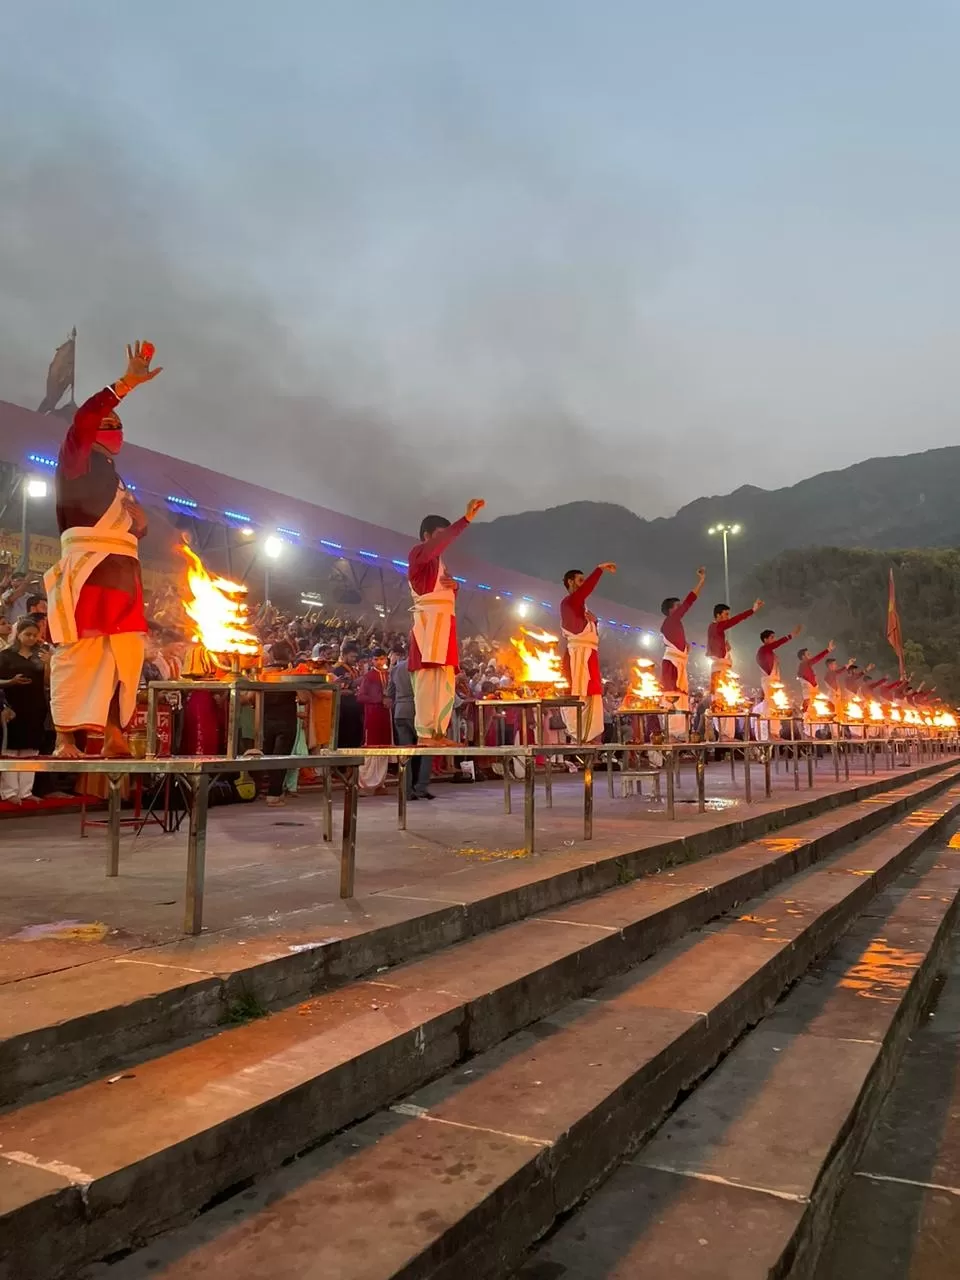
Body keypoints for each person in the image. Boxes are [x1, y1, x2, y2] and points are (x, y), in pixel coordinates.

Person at [44, 340, 161, 757]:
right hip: (87, 570)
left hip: (123, 574)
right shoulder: (75, 457)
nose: (111, 425)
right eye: (106, 421)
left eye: (116, 421)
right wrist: (126, 383)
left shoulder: (117, 478)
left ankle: (114, 732)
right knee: (78, 651)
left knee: (124, 655)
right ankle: (65, 737)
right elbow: (87, 413)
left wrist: (140, 527)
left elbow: (122, 530)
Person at [407, 497, 485, 745]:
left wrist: (456, 587)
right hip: (428, 626)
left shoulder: (439, 564)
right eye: (440, 537)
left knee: (444, 679)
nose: (444, 542)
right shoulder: (418, 554)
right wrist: (465, 521)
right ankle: (424, 734)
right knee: (427, 679)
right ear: (427, 536)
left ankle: (437, 733)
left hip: (444, 625)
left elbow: (442, 594)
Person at [560, 563, 617, 743]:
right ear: (570, 582)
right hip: (578, 656)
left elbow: (591, 635)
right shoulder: (569, 601)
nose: (583, 584)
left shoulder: (582, 607)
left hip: (589, 654)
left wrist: (595, 622)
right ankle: (579, 737)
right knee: (580, 695)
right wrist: (599, 570)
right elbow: (586, 590)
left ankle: (592, 739)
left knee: (593, 695)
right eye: (580, 580)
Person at [0, 617, 50, 803]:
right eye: (27, 634)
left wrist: (48, 664)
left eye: (34, 635)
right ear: (18, 634)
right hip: (12, 706)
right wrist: (11, 682)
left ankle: (26, 791)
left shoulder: (40, 655)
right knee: (12, 749)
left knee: (31, 749)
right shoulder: (5, 656)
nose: (31, 638)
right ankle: (9, 792)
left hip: (35, 706)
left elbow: (48, 683)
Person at [660, 566, 706, 732]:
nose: (681, 608)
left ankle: (681, 733)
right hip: (671, 664)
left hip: (679, 663)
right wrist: (701, 582)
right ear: (671, 610)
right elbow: (689, 601)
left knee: (682, 697)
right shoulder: (670, 621)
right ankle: (671, 733)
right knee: (672, 697)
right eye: (677, 606)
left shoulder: (676, 624)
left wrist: (685, 650)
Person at [387, 650, 434, 799]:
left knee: (406, 754)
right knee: (427, 750)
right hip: (418, 711)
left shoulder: (397, 668)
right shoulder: (423, 668)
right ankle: (421, 786)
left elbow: (389, 691)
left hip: (400, 711)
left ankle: (406, 790)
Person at [706, 598, 762, 694]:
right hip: (719, 668)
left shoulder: (715, 629)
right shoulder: (716, 626)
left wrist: (725, 649)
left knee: (722, 697)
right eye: (726, 614)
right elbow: (735, 620)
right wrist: (752, 610)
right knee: (719, 698)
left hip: (720, 666)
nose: (728, 617)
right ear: (718, 615)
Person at [357, 648, 393, 793]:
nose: (380, 662)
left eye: (382, 659)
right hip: (373, 716)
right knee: (371, 749)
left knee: (384, 749)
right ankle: (363, 785)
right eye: (376, 659)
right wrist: (379, 700)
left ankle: (380, 784)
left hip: (386, 716)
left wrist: (390, 700)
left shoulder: (390, 675)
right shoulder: (369, 676)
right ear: (371, 661)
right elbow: (360, 697)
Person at [756, 625, 802, 714]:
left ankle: (773, 725)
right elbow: (777, 644)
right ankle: (767, 723)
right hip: (769, 681)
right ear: (765, 640)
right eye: (772, 637)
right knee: (770, 703)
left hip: (775, 681)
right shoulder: (763, 649)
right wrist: (790, 636)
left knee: (775, 704)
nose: (775, 639)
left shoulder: (770, 652)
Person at [332, 639, 365, 748]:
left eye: (356, 657)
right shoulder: (338, 669)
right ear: (344, 655)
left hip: (354, 708)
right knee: (346, 737)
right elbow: (341, 688)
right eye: (352, 657)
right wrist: (358, 683)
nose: (355, 659)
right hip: (344, 709)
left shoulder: (353, 669)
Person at [797, 641, 835, 708]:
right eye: (808, 654)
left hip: (812, 692)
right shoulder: (804, 664)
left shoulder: (805, 665)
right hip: (808, 693)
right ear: (803, 657)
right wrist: (828, 650)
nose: (810, 656)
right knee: (809, 709)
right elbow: (816, 658)